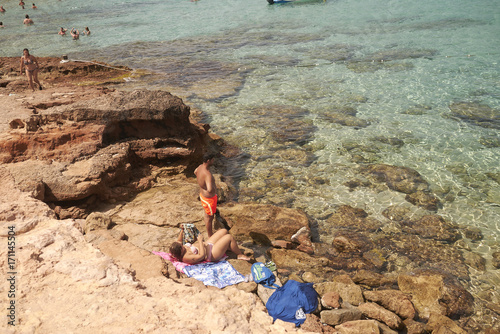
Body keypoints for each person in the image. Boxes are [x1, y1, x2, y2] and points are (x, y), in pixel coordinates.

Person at [169, 228, 250, 264]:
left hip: (208, 244)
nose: (184, 246)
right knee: (229, 237)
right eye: (182, 247)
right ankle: (239, 255)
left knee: (224, 231)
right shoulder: (186, 257)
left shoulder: (179, 248)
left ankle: (226, 247)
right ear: (180, 251)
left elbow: (179, 241)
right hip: (212, 254)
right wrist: (200, 241)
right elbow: (201, 255)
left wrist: (182, 230)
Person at [194, 153, 218, 237]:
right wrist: (212, 187)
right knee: (209, 218)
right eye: (212, 159)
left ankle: (209, 233)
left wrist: (201, 184)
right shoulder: (207, 174)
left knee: (206, 215)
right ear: (208, 161)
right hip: (209, 199)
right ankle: (210, 235)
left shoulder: (200, 167)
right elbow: (210, 189)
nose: (213, 161)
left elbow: (195, 171)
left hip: (203, 196)